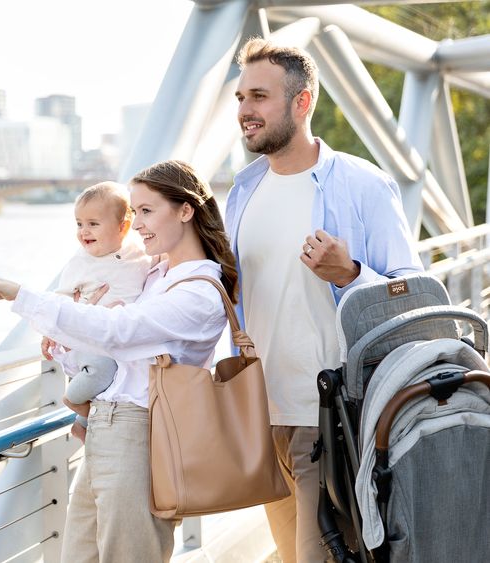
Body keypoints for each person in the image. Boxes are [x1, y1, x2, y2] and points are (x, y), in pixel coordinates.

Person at [0, 159, 238, 563]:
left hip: (139, 433)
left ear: (186, 211)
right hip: (107, 426)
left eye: (146, 211)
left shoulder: (198, 292)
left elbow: (115, 331)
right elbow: (105, 346)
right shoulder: (152, 275)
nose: (135, 224)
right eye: (134, 211)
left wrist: (18, 294)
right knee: (78, 555)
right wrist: (65, 342)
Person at [226, 38, 423, 563]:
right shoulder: (242, 192)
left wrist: (352, 274)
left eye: (259, 96)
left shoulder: (363, 185)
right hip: (262, 419)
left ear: (302, 102)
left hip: (332, 417)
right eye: (241, 96)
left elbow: (414, 292)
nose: (245, 110)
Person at [44, 181, 150, 431]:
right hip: (92, 343)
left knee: (115, 380)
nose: (84, 231)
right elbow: (59, 299)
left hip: (120, 340)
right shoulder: (80, 263)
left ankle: (81, 425)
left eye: (93, 224)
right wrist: (50, 332)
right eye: (79, 224)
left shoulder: (139, 253)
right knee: (102, 369)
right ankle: (73, 400)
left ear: (123, 228)